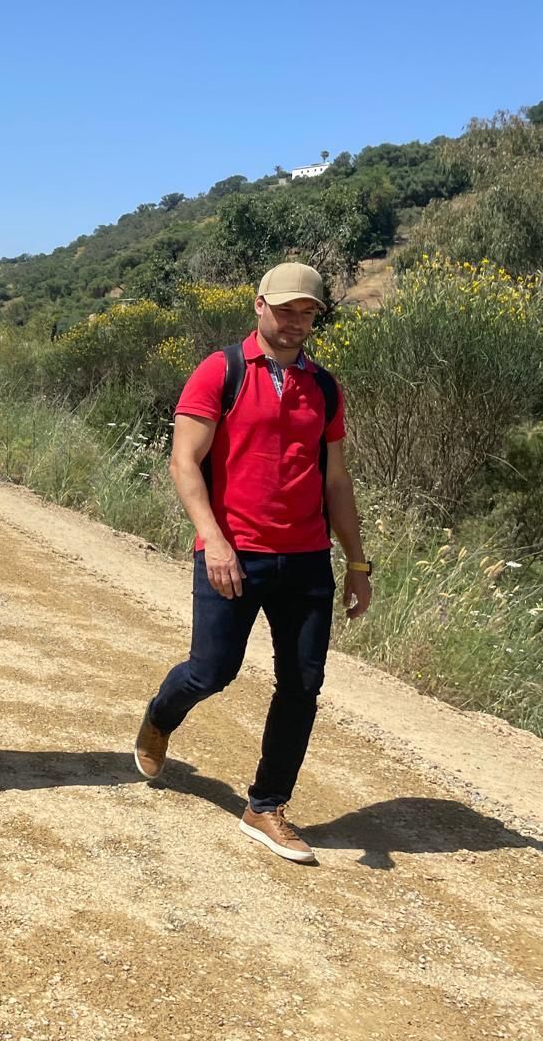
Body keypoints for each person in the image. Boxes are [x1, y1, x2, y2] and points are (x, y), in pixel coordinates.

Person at [133, 261, 373, 862]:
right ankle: (161, 715)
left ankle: (266, 806)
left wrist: (358, 563)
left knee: (303, 684)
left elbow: (336, 481)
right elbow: (184, 463)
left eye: (308, 313)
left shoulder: (324, 386)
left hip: (306, 558)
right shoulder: (222, 371)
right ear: (260, 306)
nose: (296, 323)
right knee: (211, 671)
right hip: (233, 553)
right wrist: (212, 538)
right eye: (286, 310)